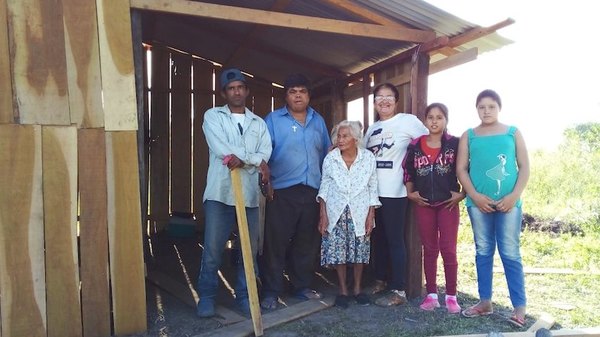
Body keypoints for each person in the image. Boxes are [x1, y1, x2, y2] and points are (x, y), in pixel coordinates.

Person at [196, 68, 272, 318]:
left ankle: (246, 297)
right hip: (220, 192)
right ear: (224, 93)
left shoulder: (258, 123)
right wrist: (250, 160)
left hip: (249, 195)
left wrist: (245, 159)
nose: (236, 91)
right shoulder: (213, 116)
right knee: (213, 249)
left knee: (248, 250)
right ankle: (206, 297)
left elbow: (265, 153)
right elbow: (221, 150)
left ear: (247, 91)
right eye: (231, 88)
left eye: (240, 87)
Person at [456, 89, 529, 327]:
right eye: (481, 107)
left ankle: (519, 308)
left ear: (499, 108)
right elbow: (461, 169)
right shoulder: (469, 136)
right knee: (483, 251)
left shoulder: (512, 133)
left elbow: (525, 167)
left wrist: (513, 197)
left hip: (509, 205)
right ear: (476, 109)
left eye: (491, 106)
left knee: (510, 252)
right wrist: (475, 197)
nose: (486, 111)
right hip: (479, 205)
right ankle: (485, 302)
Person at [260, 73, 331, 310]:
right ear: (286, 96)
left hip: (311, 191)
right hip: (281, 192)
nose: (298, 95)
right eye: (293, 91)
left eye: (302, 91)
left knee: (306, 241)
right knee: (276, 242)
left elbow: (325, 157)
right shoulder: (272, 120)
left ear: (309, 95)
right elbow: (262, 157)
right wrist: (266, 183)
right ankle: (271, 291)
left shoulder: (318, 120)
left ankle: (301, 286)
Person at [363, 83, 429, 306]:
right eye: (379, 97)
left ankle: (399, 290)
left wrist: (419, 179)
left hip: (395, 192)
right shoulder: (371, 130)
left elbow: (428, 141)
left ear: (396, 101)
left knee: (394, 240)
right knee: (378, 240)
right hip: (373, 194)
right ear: (374, 103)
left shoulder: (407, 121)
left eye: (388, 96)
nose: (383, 100)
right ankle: (380, 280)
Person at [402, 103, 464, 313]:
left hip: (448, 204)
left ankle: (451, 296)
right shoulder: (415, 144)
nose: (434, 121)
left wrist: (462, 193)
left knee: (448, 249)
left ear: (446, 120)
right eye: (430, 117)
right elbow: (408, 170)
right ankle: (431, 295)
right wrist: (411, 193)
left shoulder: (455, 143)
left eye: (439, 117)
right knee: (429, 250)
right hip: (424, 204)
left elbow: (466, 168)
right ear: (425, 120)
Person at [318, 120, 381, 309]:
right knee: (339, 253)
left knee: (359, 252)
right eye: (339, 136)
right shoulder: (331, 158)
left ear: (355, 139)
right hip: (336, 210)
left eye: (345, 136)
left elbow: (372, 187)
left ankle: (358, 289)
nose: (340, 139)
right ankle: (343, 291)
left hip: (360, 211)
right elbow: (325, 186)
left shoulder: (368, 158)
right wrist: (323, 214)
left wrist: (371, 215)